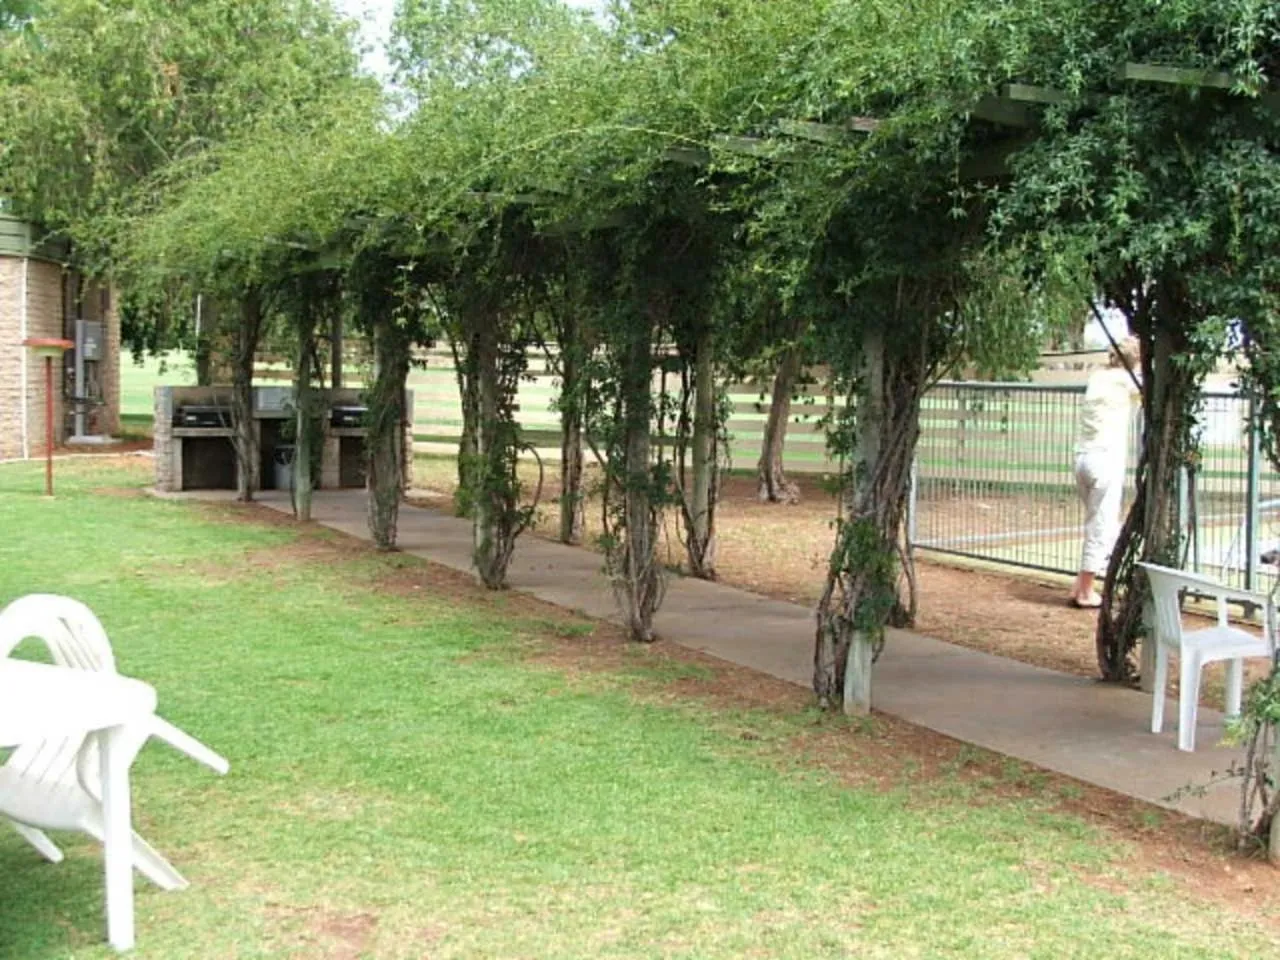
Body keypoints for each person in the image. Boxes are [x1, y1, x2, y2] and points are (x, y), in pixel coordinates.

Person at [1070, 336, 1141, 608]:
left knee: (1094, 523)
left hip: (1082, 456)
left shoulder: (1098, 377)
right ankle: (1086, 591)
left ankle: (1079, 584)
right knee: (1102, 524)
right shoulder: (1128, 381)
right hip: (1105, 459)